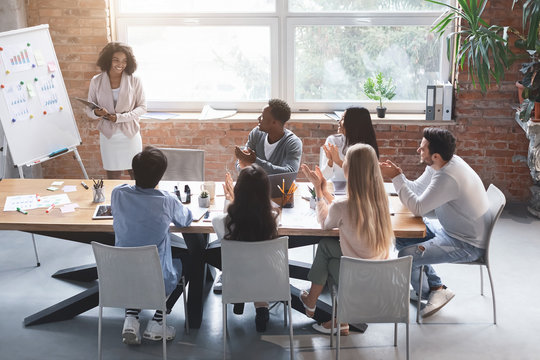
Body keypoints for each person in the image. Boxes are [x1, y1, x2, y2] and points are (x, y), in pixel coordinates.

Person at [379, 127, 489, 318]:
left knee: (406, 255)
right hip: (450, 231)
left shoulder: (448, 177)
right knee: (402, 237)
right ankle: (436, 288)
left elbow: (418, 208)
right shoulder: (443, 164)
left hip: (466, 243)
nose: (418, 151)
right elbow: (417, 189)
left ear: (436, 155)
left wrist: (396, 178)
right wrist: (398, 174)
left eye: (422, 149)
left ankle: (429, 292)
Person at [299, 143, 394, 334]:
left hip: (356, 273)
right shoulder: (381, 199)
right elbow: (348, 210)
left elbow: (325, 223)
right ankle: (339, 318)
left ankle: (320, 307)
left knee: (326, 246)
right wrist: (326, 191)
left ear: (349, 169)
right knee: (328, 249)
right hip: (380, 274)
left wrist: (318, 191)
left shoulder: (343, 206)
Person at [111, 146, 193, 345]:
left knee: (134, 262)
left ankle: (131, 317)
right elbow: (186, 220)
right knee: (190, 260)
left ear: (133, 172)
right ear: (161, 175)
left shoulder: (118, 193)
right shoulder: (167, 200)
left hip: (118, 275)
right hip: (156, 277)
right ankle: (158, 320)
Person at [212, 164, 280, 332]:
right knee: (260, 264)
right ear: (266, 192)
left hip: (236, 278)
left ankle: (245, 300)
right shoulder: (273, 218)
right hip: (269, 278)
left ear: (238, 189)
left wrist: (231, 200)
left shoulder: (220, 221)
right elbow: (263, 212)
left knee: (237, 261)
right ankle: (262, 307)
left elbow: (223, 226)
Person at [86, 42, 146, 180]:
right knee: (113, 175)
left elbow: (142, 107)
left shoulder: (135, 80)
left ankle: (137, 201)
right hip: (108, 135)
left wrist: (118, 118)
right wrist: (97, 113)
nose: (121, 64)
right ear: (108, 60)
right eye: (116, 60)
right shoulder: (96, 81)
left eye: (125, 61)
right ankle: (116, 200)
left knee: (136, 173)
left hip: (130, 134)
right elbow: (89, 109)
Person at [235, 99, 302, 174]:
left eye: (262, 117)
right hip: (256, 185)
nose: (258, 119)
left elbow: (290, 172)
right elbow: (241, 164)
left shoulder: (292, 143)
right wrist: (242, 161)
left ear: (274, 122)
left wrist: (255, 161)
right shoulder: (256, 133)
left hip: (281, 186)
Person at [320, 107, 379, 183]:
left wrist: (338, 161)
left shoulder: (366, 148)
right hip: (335, 188)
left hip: (360, 190)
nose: (339, 121)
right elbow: (324, 177)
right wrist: (330, 162)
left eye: (343, 118)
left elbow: (363, 178)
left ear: (354, 123)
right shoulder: (332, 141)